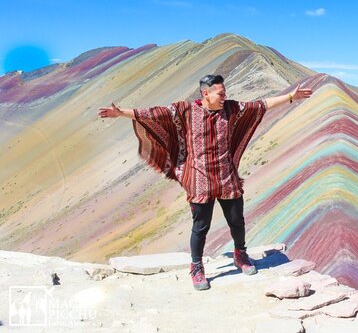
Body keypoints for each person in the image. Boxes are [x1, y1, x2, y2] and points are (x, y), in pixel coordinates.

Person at [97, 74, 312, 290]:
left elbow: (262, 104)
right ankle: (197, 267)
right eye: (220, 93)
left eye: (224, 92)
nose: (224, 96)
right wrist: (121, 113)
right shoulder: (186, 111)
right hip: (199, 178)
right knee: (201, 226)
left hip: (226, 176)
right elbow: (154, 113)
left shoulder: (232, 108)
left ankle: (240, 255)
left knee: (237, 220)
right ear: (205, 94)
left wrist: (290, 97)